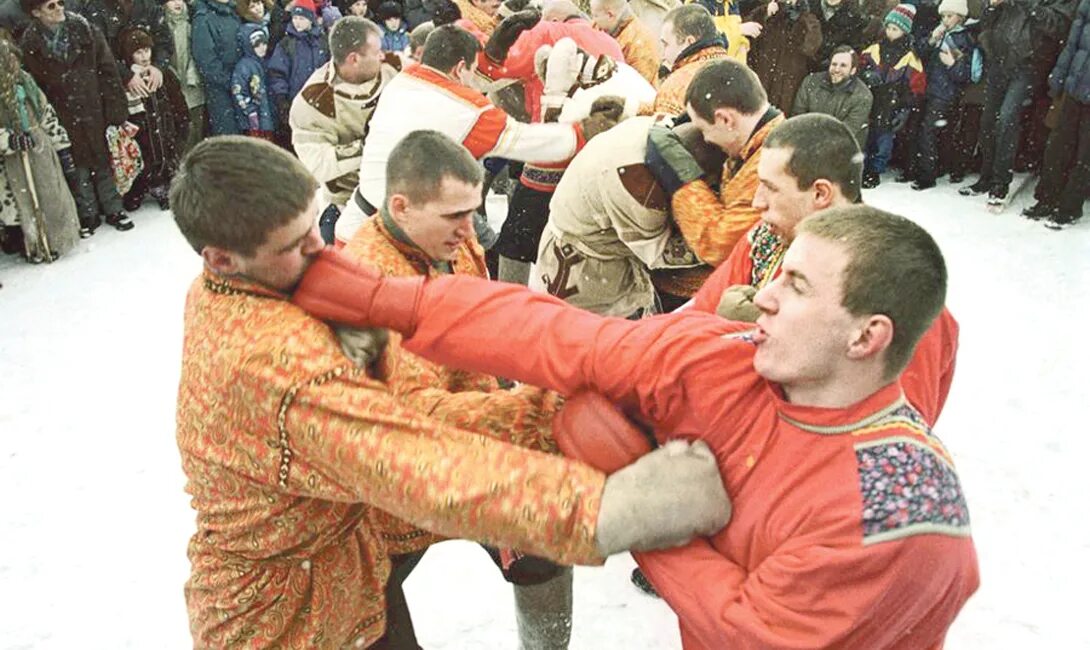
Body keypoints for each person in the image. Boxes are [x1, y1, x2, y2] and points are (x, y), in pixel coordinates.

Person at [291, 203, 980, 650]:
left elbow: (755, 635)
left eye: (796, 287)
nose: (762, 297)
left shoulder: (898, 510)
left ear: (867, 337)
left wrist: (648, 514)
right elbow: (557, 336)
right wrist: (378, 298)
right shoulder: (724, 358)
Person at [171, 134, 731, 648]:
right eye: (295, 244)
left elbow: (466, 323)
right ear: (220, 258)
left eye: (318, 228)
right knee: (531, 551)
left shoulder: (276, 280)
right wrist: (607, 508)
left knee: (529, 561)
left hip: (346, 578)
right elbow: (410, 458)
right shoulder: (276, 363)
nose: (322, 251)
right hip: (282, 618)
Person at [342, 129, 582, 649]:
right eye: (454, 216)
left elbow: (484, 323)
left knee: (544, 543)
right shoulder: (369, 283)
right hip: (387, 487)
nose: (470, 230)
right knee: (373, 624)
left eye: (473, 212)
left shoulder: (452, 239)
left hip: (475, 437)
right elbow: (418, 416)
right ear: (401, 207)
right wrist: (537, 413)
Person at [689, 113, 959, 428]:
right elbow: (690, 325)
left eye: (769, 188)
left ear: (820, 194)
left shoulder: (899, 294)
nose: (756, 203)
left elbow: (888, 440)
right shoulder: (764, 242)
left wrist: (746, 338)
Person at [341, 24, 621, 245]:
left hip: (357, 227)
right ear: (460, 68)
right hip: (399, 243)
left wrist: (488, 60)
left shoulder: (403, 80)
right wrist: (582, 131)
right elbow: (527, 142)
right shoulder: (467, 110)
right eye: (473, 69)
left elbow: (462, 87)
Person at [532, 116, 719, 317]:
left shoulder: (655, 133)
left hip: (597, 247)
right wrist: (717, 244)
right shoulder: (638, 185)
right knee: (587, 336)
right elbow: (658, 252)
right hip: (584, 269)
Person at [644, 57, 784, 308]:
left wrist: (679, 177)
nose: (705, 140)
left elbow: (720, 244)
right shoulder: (754, 144)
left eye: (703, 129)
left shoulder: (771, 164)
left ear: (726, 119)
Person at [20, 0, 135, 233]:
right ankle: (87, 213)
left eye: (60, 2)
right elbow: (35, 86)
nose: (59, 8)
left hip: (94, 105)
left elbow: (108, 71)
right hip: (61, 110)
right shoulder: (30, 43)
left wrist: (115, 111)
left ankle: (114, 208)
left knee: (102, 158)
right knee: (75, 164)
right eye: (51, 6)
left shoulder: (86, 30)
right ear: (36, 12)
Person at [290, 16, 399, 243]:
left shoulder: (393, 68)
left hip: (401, 190)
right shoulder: (316, 101)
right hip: (349, 200)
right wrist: (375, 145)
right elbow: (318, 164)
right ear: (354, 59)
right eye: (376, 51)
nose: (383, 55)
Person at [962, 0, 1076, 205]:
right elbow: (985, 23)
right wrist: (991, 6)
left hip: (1027, 65)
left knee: (1007, 119)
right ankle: (986, 176)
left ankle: (1000, 182)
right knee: (988, 120)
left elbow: (1057, 27)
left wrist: (1027, 3)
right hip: (998, 61)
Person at [0, 37, 79, 260]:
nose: (14, 64)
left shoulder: (27, 83)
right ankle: (34, 245)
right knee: (25, 202)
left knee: (51, 195)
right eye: (8, 60)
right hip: (14, 159)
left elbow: (46, 114)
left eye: (15, 58)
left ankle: (56, 240)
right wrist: (8, 140)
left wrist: (61, 145)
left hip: (39, 147)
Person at [1021, 0, 1089, 228]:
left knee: (1085, 155)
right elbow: (1072, 44)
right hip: (1074, 86)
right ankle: (1046, 200)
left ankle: (1070, 208)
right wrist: (1058, 77)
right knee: (1058, 144)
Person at [907, 0, 977, 189]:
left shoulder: (964, 39)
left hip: (945, 93)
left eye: (950, 16)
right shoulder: (939, 33)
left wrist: (953, 64)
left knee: (928, 131)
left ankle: (927, 175)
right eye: (943, 16)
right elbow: (919, 52)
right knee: (925, 130)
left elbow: (965, 74)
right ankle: (927, 167)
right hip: (929, 88)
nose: (945, 20)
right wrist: (931, 39)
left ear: (960, 18)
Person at [118, 27, 189, 211]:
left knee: (166, 157)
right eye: (139, 52)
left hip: (166, 132)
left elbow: (180, 106)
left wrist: (180, 125)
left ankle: (165, 184)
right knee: (145, 162)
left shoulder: (164, 74)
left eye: (147, 50)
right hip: (142, 136)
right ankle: (145, 185)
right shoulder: (126, 80)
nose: (144, 56)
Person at [858, 3, 926, 188]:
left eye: (895, 29)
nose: (890, 32)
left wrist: (905, 108)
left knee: (884, 140)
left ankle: (875, 170)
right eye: (888, 27)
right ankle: (860, 166)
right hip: (871, 99)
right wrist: (866, 74)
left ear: (904, 31)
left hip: (892, 104)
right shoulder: (873, 49)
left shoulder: (911, 57)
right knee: (866, 135)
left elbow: (917, 88)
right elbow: (859, 67)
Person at [75, 0, 174, 96]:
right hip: (111, 86)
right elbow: (96, 52)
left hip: (151, 80)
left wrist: (158, 67)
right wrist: (126, 76)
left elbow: (164, 41)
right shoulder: (95, 9)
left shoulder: (148, 5)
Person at [744, 0, 823, 114]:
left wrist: (801, 20)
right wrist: (765, 12)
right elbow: (746, 29)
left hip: (788, 81)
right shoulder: (768, 12)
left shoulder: (808, 19)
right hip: (763, 73)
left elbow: (811, 46)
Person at [650, 3, 729, 115]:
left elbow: (661, 130)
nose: (663, 54)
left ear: (689, 42)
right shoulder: (740, 72)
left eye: (666, 44)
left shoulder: (676, 86)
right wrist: (632, 107)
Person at [792, 45, 873, 148]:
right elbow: (798, 114)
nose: (837, 69)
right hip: (807, 141)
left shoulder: (863, 96)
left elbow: (847, 131)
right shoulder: (811, 82)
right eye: (834, 64)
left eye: (843, 65)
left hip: (842, 149)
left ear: (853, 70)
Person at [268, 0, 330, 125]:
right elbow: (277, 73)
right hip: (295, 100)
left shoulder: (323, 42)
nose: (297, 22)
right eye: (295, 18)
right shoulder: (286, 44)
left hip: (320, 101)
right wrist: (282, 98)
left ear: (311, 19)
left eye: (302, 18)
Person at [192, 0, 243, 134]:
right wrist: (231, 82)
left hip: (242, 85)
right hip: (221, 92)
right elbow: (207, 62)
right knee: (229, 138)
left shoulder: (234, 12)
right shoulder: (203, 19)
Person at [164, 0, 207, 154]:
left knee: (196, 127)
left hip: (193, 85)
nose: (178, 3)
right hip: (173, 86)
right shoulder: (163, 28)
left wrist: (192, 74)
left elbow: (198, 53)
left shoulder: (191, 25)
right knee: (180, 130)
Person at [589, 0, 659, 83]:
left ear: (610, 15)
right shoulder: (597, 26)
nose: (593, 20)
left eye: (595, 15)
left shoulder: (641, 44)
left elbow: (638, 87)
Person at [231, 23, 277, 138]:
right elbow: (238, 91)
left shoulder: (266, 62)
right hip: (254, 122)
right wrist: (251, 111)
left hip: (268, 119)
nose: (263, 48)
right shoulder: (244, 66)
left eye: (264, 43)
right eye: (257, 45)